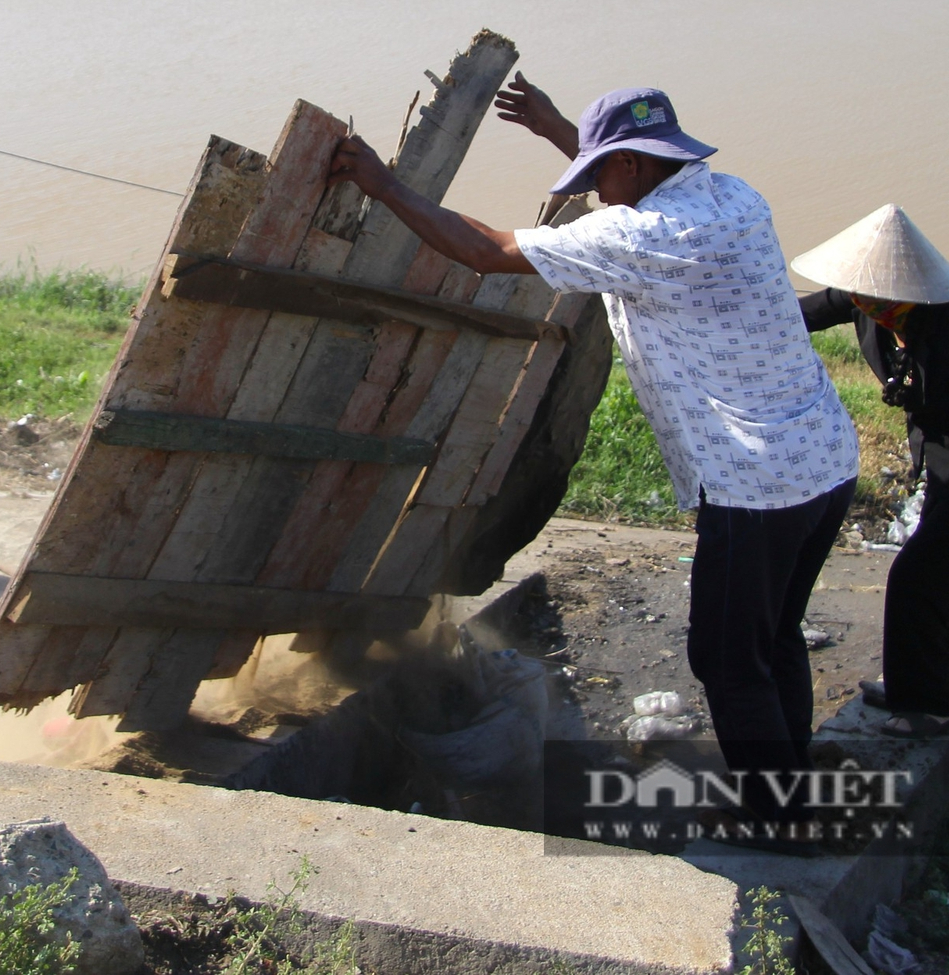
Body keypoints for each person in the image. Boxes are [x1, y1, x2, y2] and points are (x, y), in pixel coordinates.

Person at [330, 74, 858, 821]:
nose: (597, 194)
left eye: (599, 174)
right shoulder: (736, 196)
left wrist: (387, 187)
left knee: (727, 657)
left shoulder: (641, 236)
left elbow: (488, 249)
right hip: (823, 458)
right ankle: (796, 779)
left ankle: (777, 820)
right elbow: (630, 184)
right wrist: (558, 130)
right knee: (771, 637)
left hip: (754, 481)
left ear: (636, 168)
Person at [793, 204, 949, 739]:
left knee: (917, 579)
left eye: (883, 300)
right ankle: (924, 688)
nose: (869, 308)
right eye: (863, 297)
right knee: (936, 583)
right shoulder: (863, 297)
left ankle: (930, 708)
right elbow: (794, 314)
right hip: (940, 464)